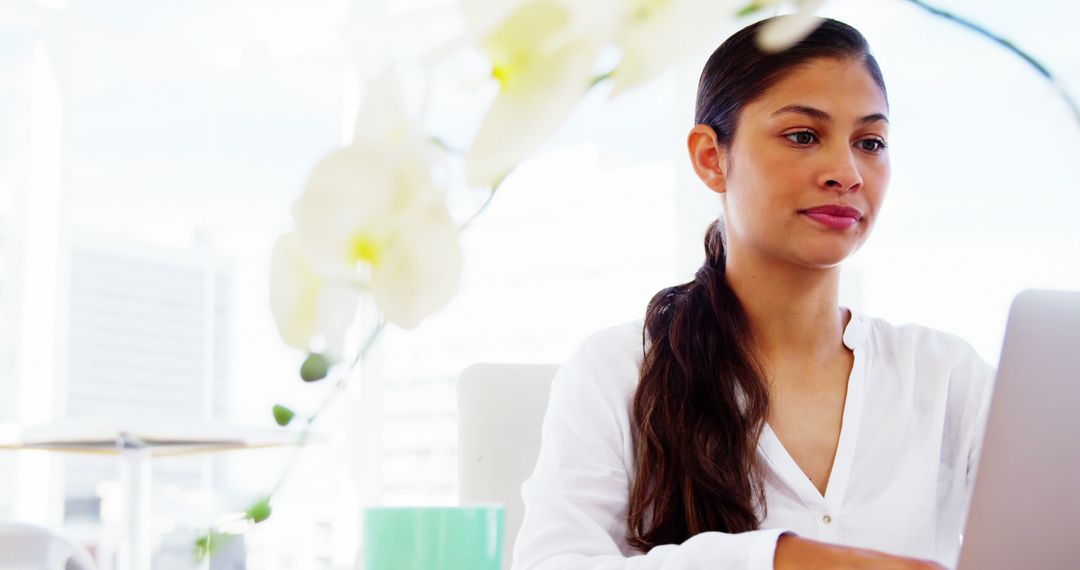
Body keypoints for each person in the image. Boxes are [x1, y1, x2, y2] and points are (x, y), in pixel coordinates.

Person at [511, 16, 995, 570]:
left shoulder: (948, 375)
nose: (847, 172)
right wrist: (780, 560)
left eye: (871, 142)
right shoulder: (619, 369)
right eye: (803, 135)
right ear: (711, 158)